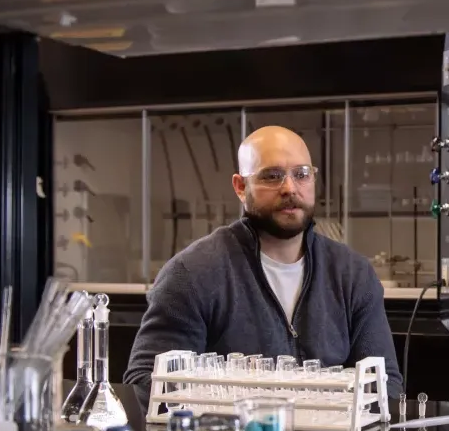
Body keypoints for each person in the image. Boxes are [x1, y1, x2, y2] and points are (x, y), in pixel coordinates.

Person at [123, 125, 402, 407]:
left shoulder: (352, 274)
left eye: (301, 174)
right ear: (241, 187)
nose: (290, 188)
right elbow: (147, 381)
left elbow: (386, 383)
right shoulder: (193, 273)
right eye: (272, 176)